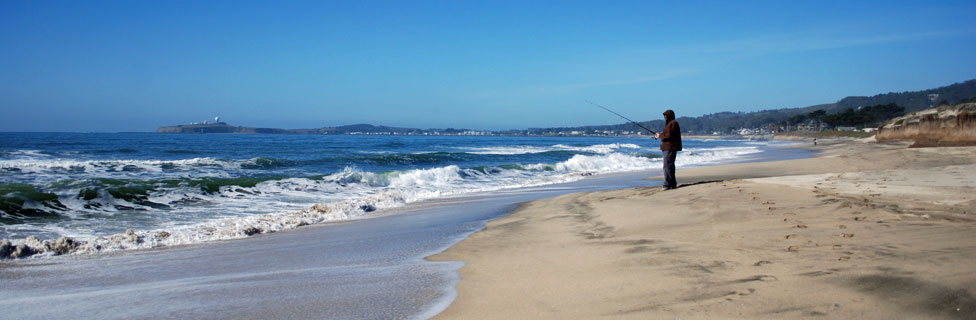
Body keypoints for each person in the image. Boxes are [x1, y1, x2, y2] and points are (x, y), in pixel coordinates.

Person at [655, 109, 681, 190]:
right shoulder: (670, 123)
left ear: (670, 115)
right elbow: (667, 134)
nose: (665, 117)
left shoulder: (673, 123)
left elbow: (668, 135)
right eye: (664, 116)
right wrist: (660, 135)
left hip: (670, 147)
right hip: (669, 147)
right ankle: (672, 183)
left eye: (666, 115)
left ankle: (667, 184)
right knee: (670, 166)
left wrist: (660, 136)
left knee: (667, 166)